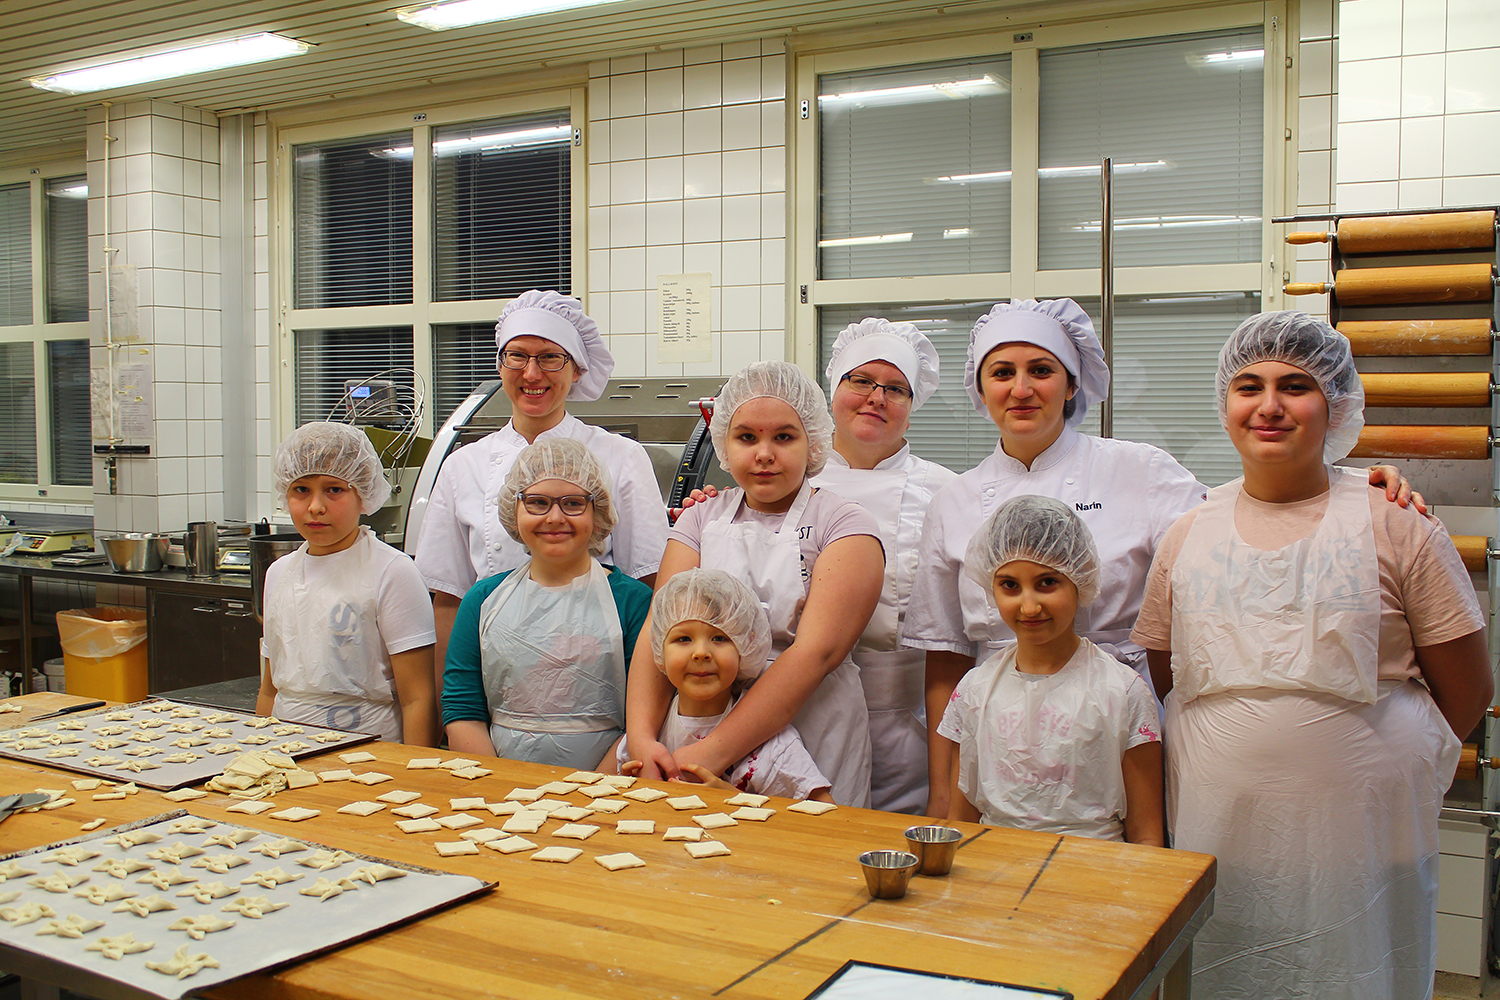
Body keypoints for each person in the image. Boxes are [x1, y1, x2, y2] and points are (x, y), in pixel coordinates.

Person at [904, 297, 1424, 817]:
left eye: (1041, 370)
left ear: (1072, 384)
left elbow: (1245, 522)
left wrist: (1344, 487)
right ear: (980, 388)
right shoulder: (953, 501)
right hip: (998, 725)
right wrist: (942, 792)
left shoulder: (1140, 470)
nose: (1021, 389)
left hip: (1120, 724)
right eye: (1002, 373)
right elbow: (947, 658)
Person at [1131, 312, 1490, 1000]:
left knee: (1357, 974)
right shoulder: (1186, 534)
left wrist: (1381, 763)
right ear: (1225, 404)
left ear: (1336, 405)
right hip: (1220, 825)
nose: (1269, 405)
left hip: (1365, 835)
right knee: (1225, 971)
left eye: (1295, 386)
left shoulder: (1398, 524)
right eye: (1249, 386)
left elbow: (1469, 689)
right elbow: (1168, 675)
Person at [625, 360, 884, 806]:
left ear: (813, 443)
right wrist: (643, 739)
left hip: (812, 724)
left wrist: (710, 754)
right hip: (698, 723)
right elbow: (659, 630)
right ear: (724, 444)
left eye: (784, 437)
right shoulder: (700, 519)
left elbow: (815, 653)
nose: (764, 454)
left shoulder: (845, 524)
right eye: (746, 437)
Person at [413, 290, 668, 690]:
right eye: (517, 356)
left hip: (600, 679)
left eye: (550, 357)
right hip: (494, 677)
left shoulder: (621, 457)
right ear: (500, 364)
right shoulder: (463, 466)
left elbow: (650, 589)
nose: (531, 374)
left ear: (577, 369)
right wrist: (446, 711)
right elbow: (448, 602)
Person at [935, 495, 1162, 845]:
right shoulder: (975, 690)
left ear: (1080, 582)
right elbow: (961, 821)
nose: (1029, 606)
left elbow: (1146, 836)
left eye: (1047, 583)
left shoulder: (1123, 691)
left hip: (1096, 868)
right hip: (994, 864)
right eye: (1010, 585)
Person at [811, 318, 955, 813]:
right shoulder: (788, 482)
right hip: (802, 713)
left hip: (912, 724)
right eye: (862, 380)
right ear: (833, 391)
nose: (877, 397)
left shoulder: (946, 491)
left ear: (911, 409)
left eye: (896, 389)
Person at [442, 437, 651, 768]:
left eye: (573, 503)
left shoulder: (634, 603)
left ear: (598, 513)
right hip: (499, 787)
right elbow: (463, 708)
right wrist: (500, 784)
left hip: (610, 786)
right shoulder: (481, 600)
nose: (555, 517)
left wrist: (595, 786)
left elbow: (645, 719)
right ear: (513, 510)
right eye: (537, 502)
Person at [257, 422, 438, 746]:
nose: (315, 506)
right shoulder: (279, 573)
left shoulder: (392, 572)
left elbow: (417, 699)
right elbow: (270, 689)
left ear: (363, 494)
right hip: (286, 746)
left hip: (371, 750)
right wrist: (258, 751)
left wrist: (413, 769)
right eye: (301, 490)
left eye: (334, 490)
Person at [614, 568, 833, 801]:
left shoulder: (772, 747)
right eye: (683, 638)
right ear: (659, 647)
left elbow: (825, 813)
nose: (701, 652)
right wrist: (628, 791)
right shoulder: (647, 736)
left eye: (719, 638)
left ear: (746, 645)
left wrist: (734, 799)